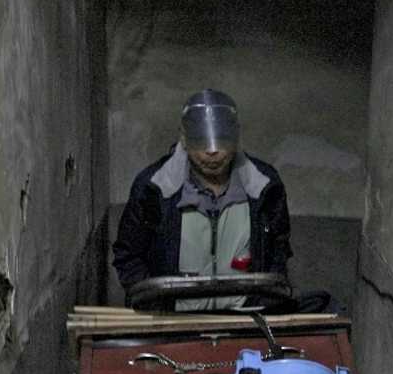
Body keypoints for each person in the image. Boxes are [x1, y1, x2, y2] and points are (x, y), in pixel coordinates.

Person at [113, 89, 292, 309]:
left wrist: (264, 304)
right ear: (184, 138)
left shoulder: (264, 187)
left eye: (222, 141)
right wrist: (156, 306)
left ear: (236, 137)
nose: (212, 152)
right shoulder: (155, 188)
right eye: (200, 142)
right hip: (174, 325)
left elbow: (278, 250)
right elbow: (128, 255)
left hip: (244, 321)